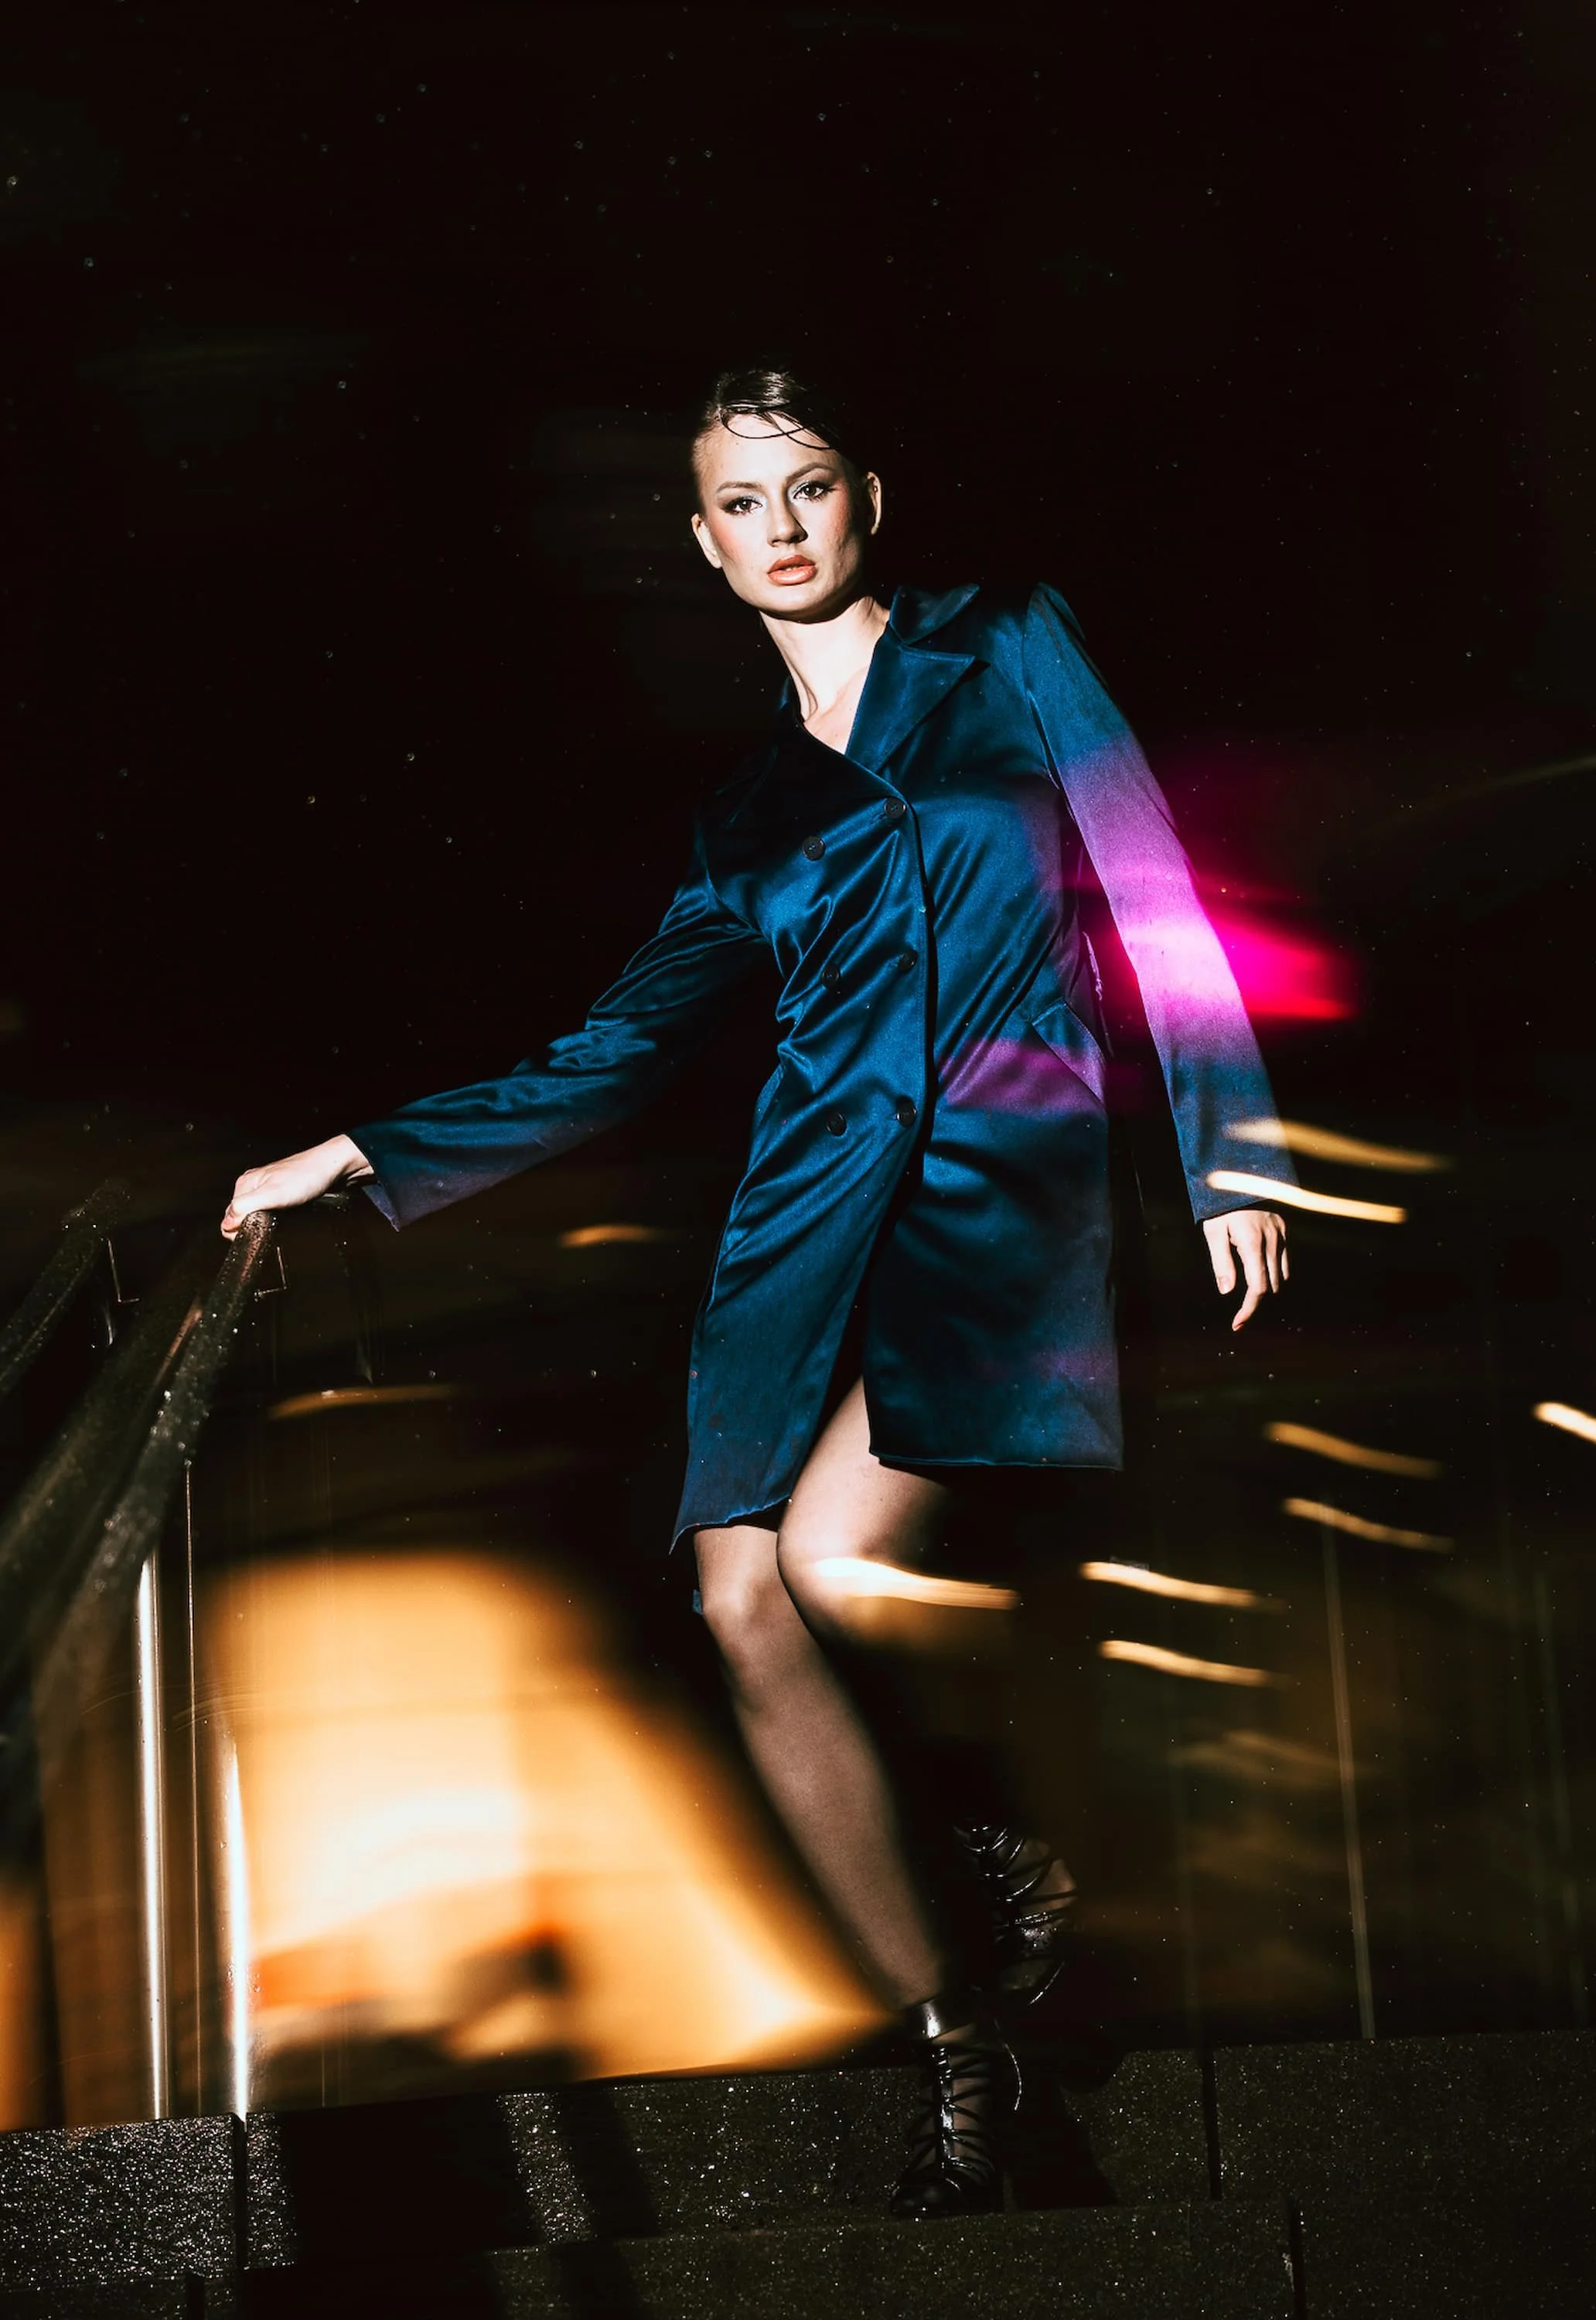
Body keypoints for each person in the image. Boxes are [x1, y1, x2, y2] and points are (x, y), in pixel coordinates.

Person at [221, 367, 1294, 2218]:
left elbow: (1150, 879)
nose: (781, 527)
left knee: (830, 1561)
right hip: (801, 1225)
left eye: (807, 488)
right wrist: (363, 1154)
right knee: (739, 1599)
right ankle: (963, 2044)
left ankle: (984, 1856)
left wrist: (1233, 1153)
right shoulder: (744, 818)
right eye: (742, 502)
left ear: (868, 496)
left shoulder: (1004, 645)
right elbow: (611, 1052)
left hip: (1000, 1188)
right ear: (706, 544)